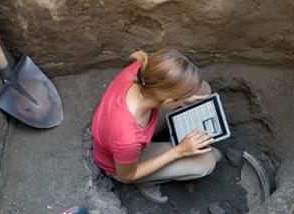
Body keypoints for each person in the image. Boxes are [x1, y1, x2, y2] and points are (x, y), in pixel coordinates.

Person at [91, 48, 221, 203]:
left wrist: (183, 99)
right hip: (123, 166)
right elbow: (127, 174)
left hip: (134, 124)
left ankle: (173, 134)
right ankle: (147, 181)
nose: (185, 98)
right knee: (207, 160)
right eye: (179, 99)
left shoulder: (143, 70)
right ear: (168, 102)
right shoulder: (127, 139)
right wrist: (179, 151)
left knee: (202, 89)